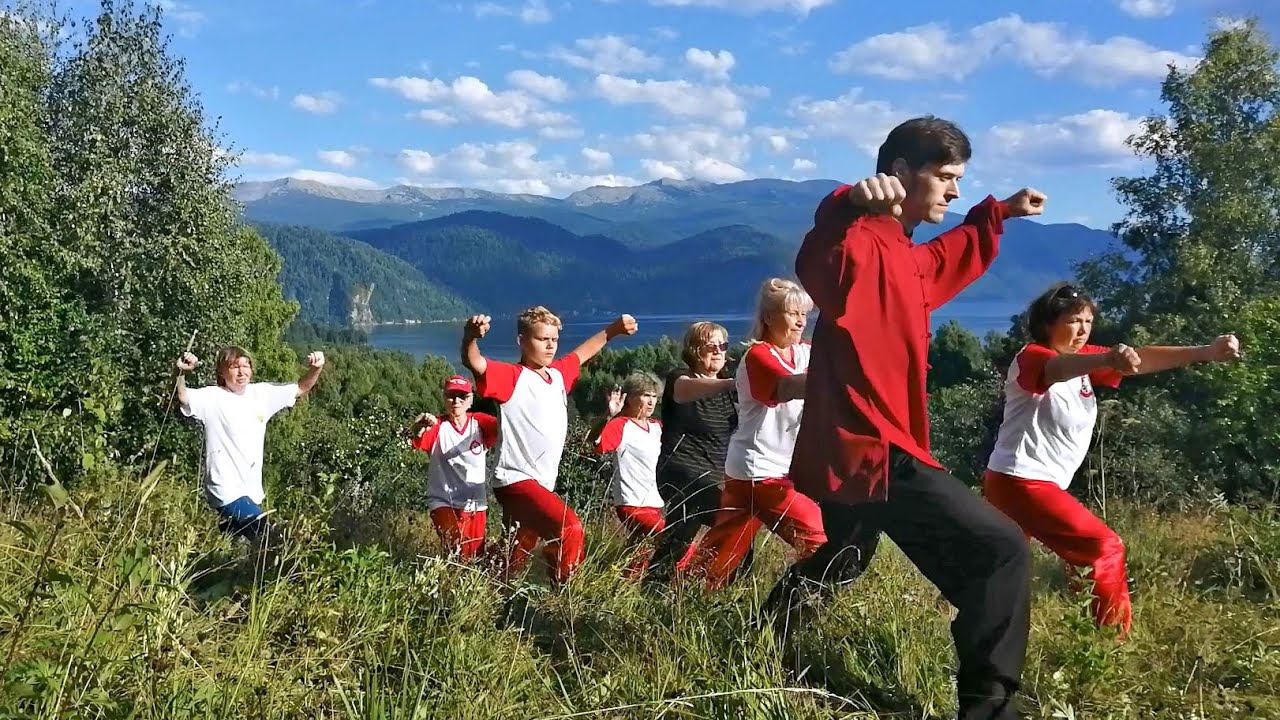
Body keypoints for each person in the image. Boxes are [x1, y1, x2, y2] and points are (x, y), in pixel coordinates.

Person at [780, 116, 1048, 719]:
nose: (953, 191)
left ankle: (767, 634)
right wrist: (846, 201)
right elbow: (818, 254)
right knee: (1000, 551)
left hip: (852, 450)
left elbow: (943, 260)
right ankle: (990, 711)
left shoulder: (901, 253)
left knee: (844, 552)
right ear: (900, 173)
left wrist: (997, 212)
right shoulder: (855, 242)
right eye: (946, 177)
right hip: (870, 445)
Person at [983, 283, 1242, 637]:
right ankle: (1109, 641)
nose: (1083, 329)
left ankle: (968, 626)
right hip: (1021, 481)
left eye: (1088, 321)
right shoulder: (1033, 357)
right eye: (1074, 320)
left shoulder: (1085, 363)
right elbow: (1056, 370)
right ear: (1047, 324)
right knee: (1104, 548)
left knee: (998, 568)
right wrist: (1106, 358)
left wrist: (1207, 351)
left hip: (1023, 482)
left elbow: (1140, 360)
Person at [461, 306, 637, 585]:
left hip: (542, 483)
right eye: (542, 339)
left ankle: (477, 587)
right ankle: (563, 596)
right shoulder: (512, 377)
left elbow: (583, 352)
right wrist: (470, 337)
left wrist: (613, 330)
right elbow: (475, 362)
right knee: (570, 528)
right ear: (521, 341)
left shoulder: (557, 375)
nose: (550, 345)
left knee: (512, 557)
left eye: (554, 339)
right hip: (516, 480)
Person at [689, 278, 828, 590]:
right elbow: (789, 386)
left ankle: (681, 595)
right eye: (793, 313)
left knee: (720, 551)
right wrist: (836, 380)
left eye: (804, 314)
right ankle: (796, 605)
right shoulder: (758, 356)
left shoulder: (804, 352)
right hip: (760, 472)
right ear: (769, 318)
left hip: (753, 470)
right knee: (818, 541)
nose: (801, 321)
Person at [174, 346, 325, 542]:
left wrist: (316, 369)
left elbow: (301, 387)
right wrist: (180, 373)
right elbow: (183, 396)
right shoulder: (212, 397)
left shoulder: (262, 394)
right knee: (268, 538)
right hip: (225, 490)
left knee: (237, 549)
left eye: (246, 365)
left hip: (251, 492)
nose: (241, 371)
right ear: (222, 371)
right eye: (235, 366)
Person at [647, 321, 739, 581]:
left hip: (712, 477)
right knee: (729, 523)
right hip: (680, 471)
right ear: (695, 349)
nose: (719, 351)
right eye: (712, 345)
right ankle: (692, 581)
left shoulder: (727, 394)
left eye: (723, 345)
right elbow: (686, 391)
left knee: (680, 537)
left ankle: (661, 587)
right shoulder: (681, 378)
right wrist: (733, 384)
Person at [408, 374, 499, 560]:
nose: (456, 401)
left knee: (474, 556)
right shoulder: (437, 427)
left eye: (462, 396)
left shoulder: (481, 423)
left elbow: (509, 429)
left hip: (475, 504)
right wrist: (417, 427)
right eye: (451, 396)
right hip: (443, 501)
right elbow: (416, 437)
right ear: (444, 398)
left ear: (471, 400)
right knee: (455, 548)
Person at [592, 372, 665, 579]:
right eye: (645, 395)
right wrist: (607, 416)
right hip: (631, 503)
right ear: (631, 398)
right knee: (672, 537)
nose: (651, 401)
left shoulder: (657, 427)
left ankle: (621, 588)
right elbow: (596, 444)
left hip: (654, 502)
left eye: (654, 396)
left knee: (637, 551)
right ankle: (678, 581)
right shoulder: (621, 425)